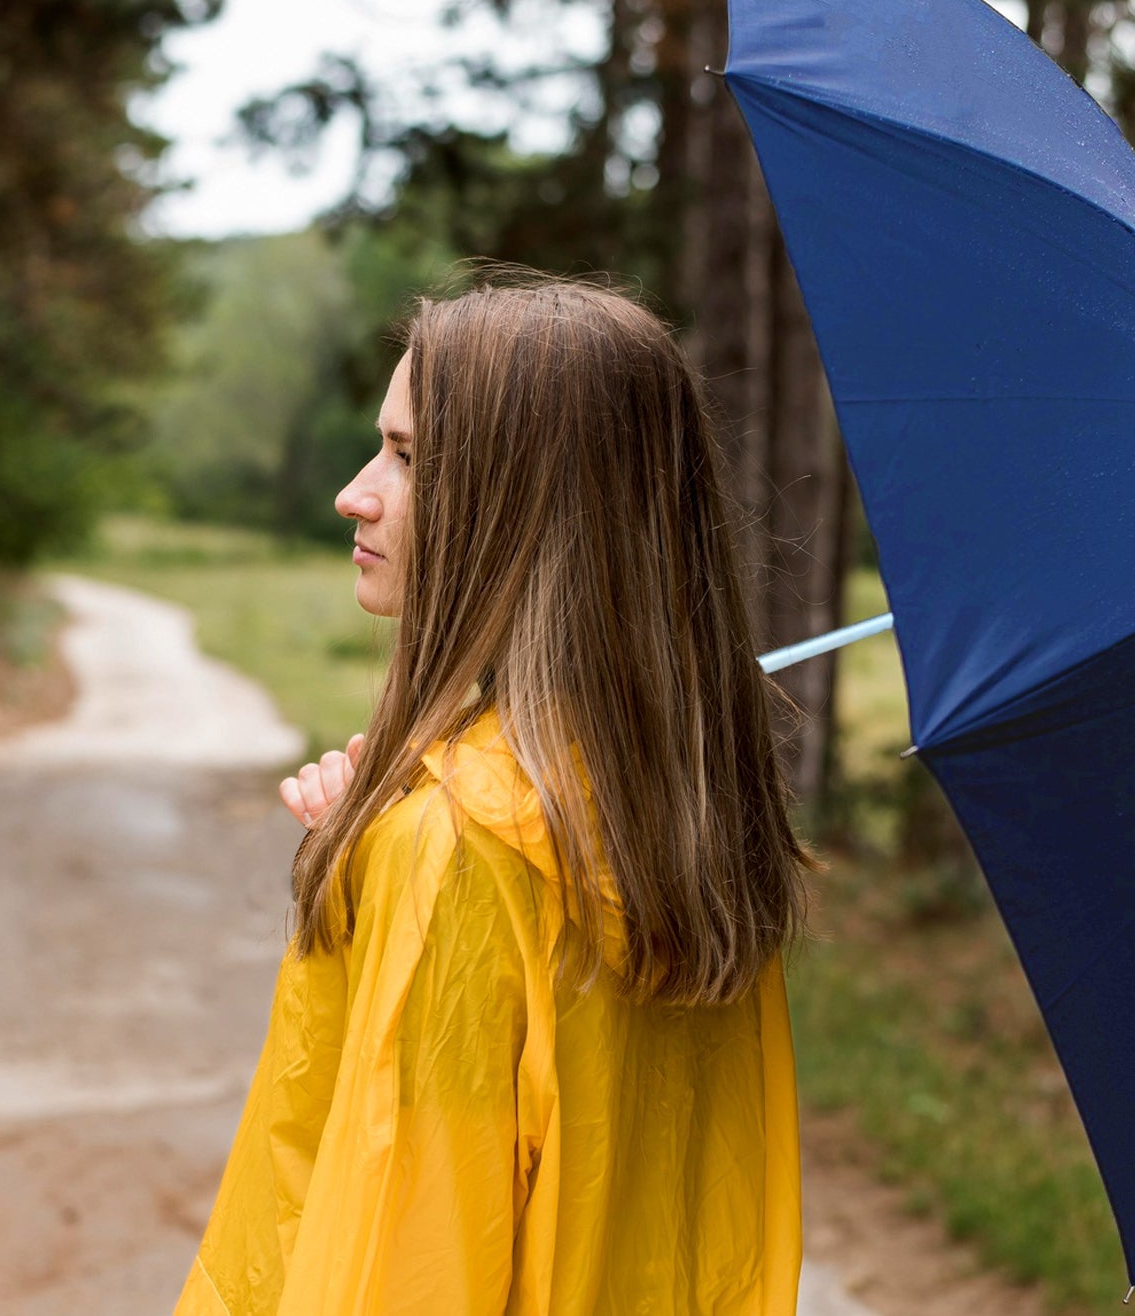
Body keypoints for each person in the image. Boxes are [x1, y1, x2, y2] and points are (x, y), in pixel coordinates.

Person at [172, 272, 816, 1316]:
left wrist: (398, 869)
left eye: (409, 458)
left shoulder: (466, 842)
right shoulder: (687, 819)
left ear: (524, 508)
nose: (356, 491)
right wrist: (371, 869)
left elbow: (409, 1254)